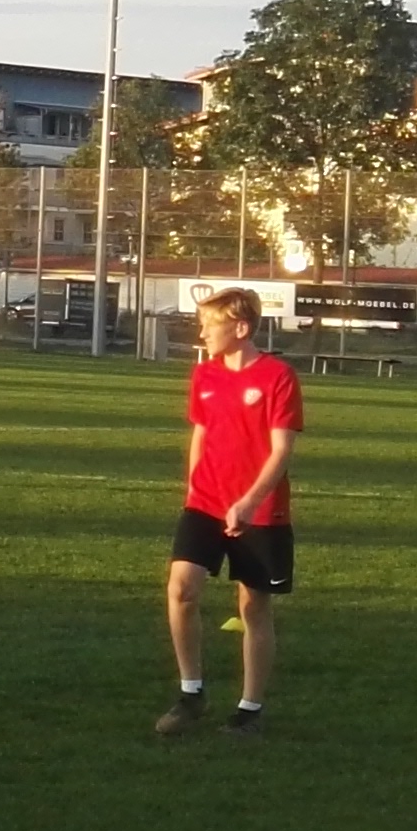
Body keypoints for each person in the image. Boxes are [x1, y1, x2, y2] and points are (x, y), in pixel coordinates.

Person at [158, 287, 303, 737]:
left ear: (240, 328)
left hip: (260, 511)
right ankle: (191, 693)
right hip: (205, 501)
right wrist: (193, 488)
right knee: (181, 589)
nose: (201, 333)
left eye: (209, 325)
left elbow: (281, 451)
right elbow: (200, 435)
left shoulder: (278, 377)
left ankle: (249, 709)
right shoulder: (204, 375)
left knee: (252, 606)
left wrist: (250, 501)